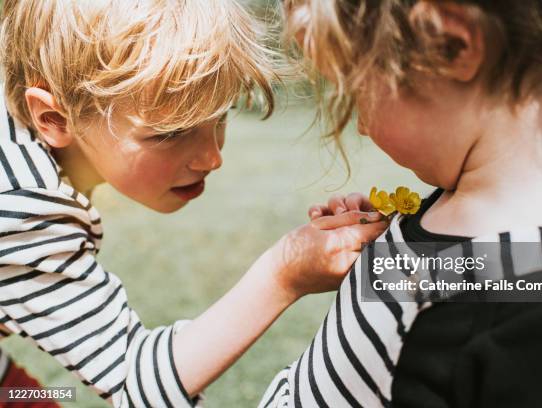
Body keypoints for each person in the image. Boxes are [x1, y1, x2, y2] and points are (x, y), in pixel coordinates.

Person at [0, 0, 389, 406]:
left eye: (221, 115)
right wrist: (284, 274)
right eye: (170, 133)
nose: (212, 158)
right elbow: (135, 382)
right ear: (54, 119)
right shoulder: (23, 206)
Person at [260, 0, 542, 406]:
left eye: (357, 89)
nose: (359, 123)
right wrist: (373, 257)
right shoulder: (456, 219)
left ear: (451, 45)